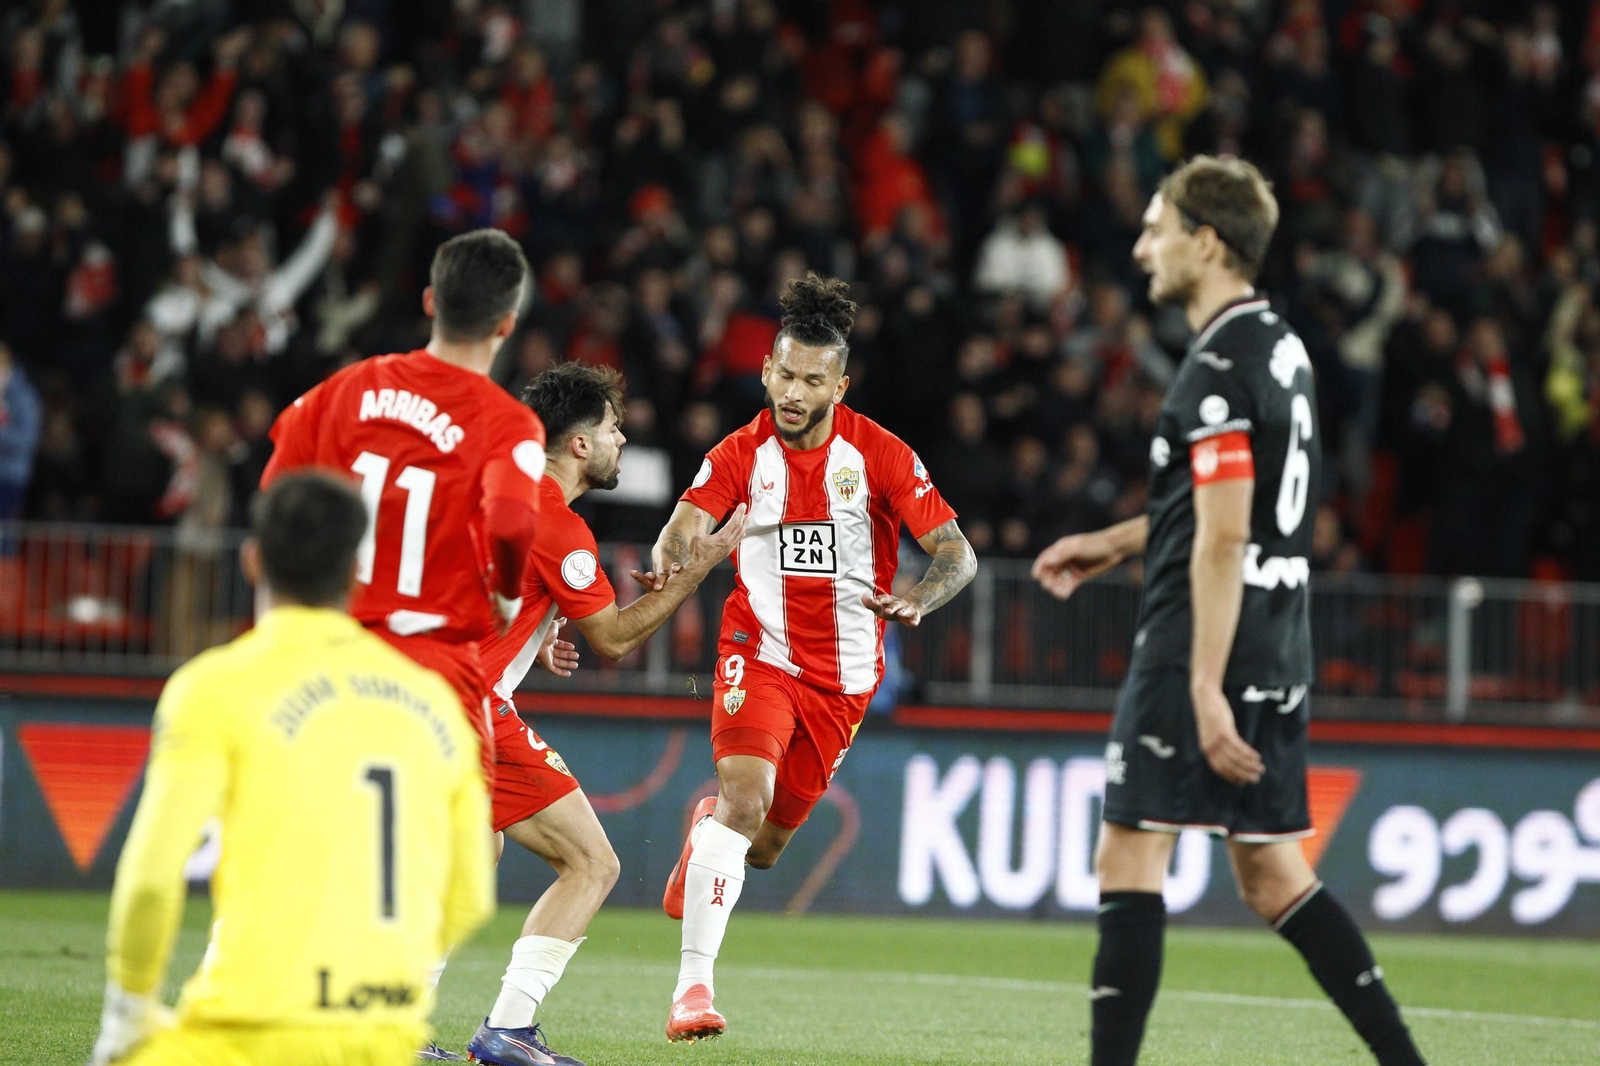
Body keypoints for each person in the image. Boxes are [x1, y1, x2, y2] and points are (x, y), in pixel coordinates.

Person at [1031, 156, 1426, 1066]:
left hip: (1198, 642)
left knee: (1128, 859)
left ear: (1205, 242)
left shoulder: (1210, 371)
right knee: (1271, 871)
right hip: (1280, 639)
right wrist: (1121, 540)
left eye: (1157, 228)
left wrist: (1202, 684)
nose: (1142, 248)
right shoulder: (1280, 347)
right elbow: (1229, 503)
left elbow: (1219, 538)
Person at [650, 273, 976, 1041]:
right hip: (757, 652)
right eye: (784, 375)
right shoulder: (740, 452)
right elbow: (682, 523)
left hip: (845, 681)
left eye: (812, 380)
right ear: (766, 371)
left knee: (760, 849)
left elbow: (957, 552)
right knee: (745, 797)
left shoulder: (881, 456)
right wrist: (673, 559)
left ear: (840, 383)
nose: (794, 392)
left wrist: (922, 596)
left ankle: (709, 835)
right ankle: (692, 990)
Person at [90, 471, 494, 1066]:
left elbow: (151, 879)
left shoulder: (214, 686)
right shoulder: (434, 701)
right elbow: (469, 895)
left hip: (250, 1034)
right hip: (384, 1036)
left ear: (252, 562)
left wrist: (129, 1014)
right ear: (356, 575)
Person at [448, 363, 747, 1066]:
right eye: (613, 427)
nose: (621, 438)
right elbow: (614, 638)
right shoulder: (558, 525)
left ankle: (398, 1024)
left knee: (470, 855)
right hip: (471, 711)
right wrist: (694, 574)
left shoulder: (497, 494)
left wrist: (534, 619)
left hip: (429, 698)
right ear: (580, 445)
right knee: (592, 862)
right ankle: (507, 1030)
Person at [261, 228, 547, 796]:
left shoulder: (345, 389)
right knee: (456, 857)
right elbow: (513, 521)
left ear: (429, 301)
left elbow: (277, 501)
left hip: (332, 660)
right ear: (507, 323)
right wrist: (509, 592)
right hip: (435, 669)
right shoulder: (508, 422)